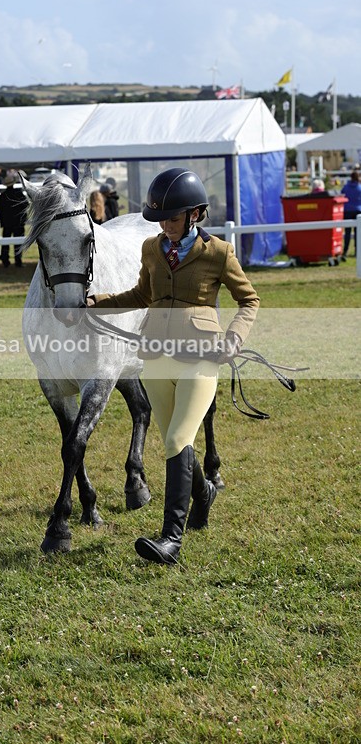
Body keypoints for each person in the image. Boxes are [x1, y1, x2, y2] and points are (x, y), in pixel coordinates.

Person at [87, 168, 259, 565]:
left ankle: (171, 539)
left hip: (201, 358)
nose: (166, 225)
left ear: (195, 214)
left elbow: (249, 300)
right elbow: (142, 293)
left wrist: (233, 339)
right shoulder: (151, 248)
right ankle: (203, 493)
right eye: (161, 218)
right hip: (155, 359)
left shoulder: (219, 252)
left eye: (174, 218)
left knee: (178, 439)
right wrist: (101, 301)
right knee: (173, 443)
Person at [0, 172, 29, 267]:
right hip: (18, 222)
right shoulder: (19, 194)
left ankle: (5, 260)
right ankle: (18, 261)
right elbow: (26, 205)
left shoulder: (2, 196)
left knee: (5, 243)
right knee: (18, 243)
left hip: (7, 223)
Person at [341, 170, 361, 258]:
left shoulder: (346, 187)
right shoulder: (360, 187)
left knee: (347, 232)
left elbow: (341, 194)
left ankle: (345, 251)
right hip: (358, 211)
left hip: (347, 211)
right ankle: (357, 251)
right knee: (358, 233)